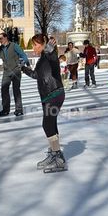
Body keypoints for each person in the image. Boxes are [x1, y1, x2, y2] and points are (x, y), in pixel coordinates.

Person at [21, 35, 67, 173]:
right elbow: (36, 75)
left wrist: (49, 50)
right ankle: (54, 153)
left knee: (47, 124)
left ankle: (58, 157)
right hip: (48, 96)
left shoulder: (48, 55)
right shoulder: (41, 59)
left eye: (35, 45)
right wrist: (23, 68)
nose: (33, 48)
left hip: (54, 94)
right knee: (51, 124)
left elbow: (53, 60)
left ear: (43, 45)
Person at [0, 33, 29, 117]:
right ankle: (5, 110)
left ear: (6, 38)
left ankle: (19, 109)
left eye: (1, 38)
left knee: (16, 90)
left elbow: (23, 54)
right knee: (4, 90)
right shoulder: (0, 49)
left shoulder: (14, 46)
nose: (0, 40)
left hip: (16, 71)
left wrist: (27, 64)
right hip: (6, 72)